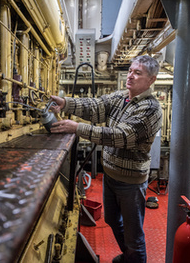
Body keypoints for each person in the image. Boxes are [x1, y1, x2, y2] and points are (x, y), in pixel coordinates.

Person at [50, 55, 162, 263]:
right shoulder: (121, 98)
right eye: (130, 70)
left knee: (134, 237)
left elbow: (120, 136)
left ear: (151, 80)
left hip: (130, 182)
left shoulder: (150, 108)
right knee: (111, 219)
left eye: (138, 73)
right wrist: (65, 103)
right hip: (111, 175)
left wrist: (78, 128)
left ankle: (134, 257)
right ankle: (130, 257)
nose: (130, 76)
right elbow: (95, 106)